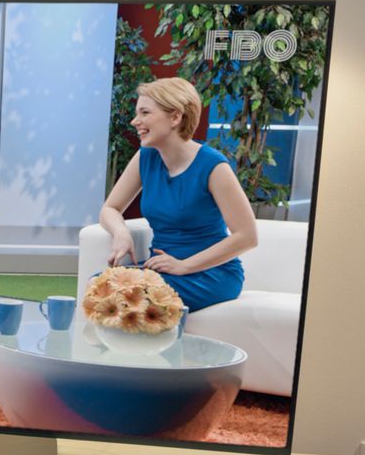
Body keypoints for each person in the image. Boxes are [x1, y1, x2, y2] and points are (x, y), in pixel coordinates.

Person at [98, 77, 259, 315]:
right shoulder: (146, 157)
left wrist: (184, 266)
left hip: (211, 275)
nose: (135, 121)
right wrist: (121, 233)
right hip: (162, 271)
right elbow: (110, 208)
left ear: (175, 117)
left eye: (144, 113)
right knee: (99, 286)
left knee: (127, 297)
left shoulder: (214, 166)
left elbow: (247, 237)